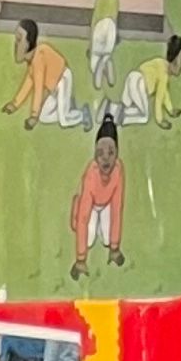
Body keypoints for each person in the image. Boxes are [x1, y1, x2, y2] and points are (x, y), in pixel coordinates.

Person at [69, 117, 126, 279]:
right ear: (95, 154)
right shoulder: (91, 176)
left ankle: (109, 240)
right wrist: (81, 259)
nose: (105, 159)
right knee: (88, 241)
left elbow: (117, 209)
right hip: (90, 207)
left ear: (117, 153)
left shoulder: (119, 171)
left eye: (111, 152)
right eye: (100, 153)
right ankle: (74, 208)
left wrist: (114, 248)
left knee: (108, 240)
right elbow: (83, 218)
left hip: (106, 204)